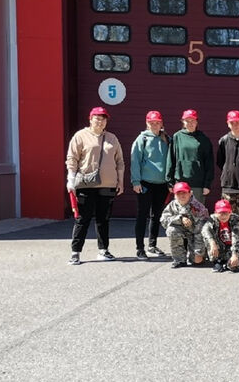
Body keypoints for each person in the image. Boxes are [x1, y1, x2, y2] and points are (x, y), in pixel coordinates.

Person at [65, 106, 124, 265]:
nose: (100, 121)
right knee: (82, 219)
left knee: (103, 219)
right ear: (90, 119)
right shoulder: (80, 136)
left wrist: (120, 181)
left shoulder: (112, 138)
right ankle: (75, 252)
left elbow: (119, 162)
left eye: (103, 119)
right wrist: (71, 179)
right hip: (86, 185)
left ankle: (103, 250)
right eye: (97, 118)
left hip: (107, 185)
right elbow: (72, 158)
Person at [129, 109, 169, 260]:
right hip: (145, 184)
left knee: (156, 215)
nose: (154, 125)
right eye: (152, 123)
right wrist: (136, 181)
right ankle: (140, 248)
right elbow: (135, 161)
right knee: (142, 215)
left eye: (157, 122)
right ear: (147, 123)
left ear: (161, 123)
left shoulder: (167, 139)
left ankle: (152, 245)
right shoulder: (142, 139)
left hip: (162, 184)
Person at [166, 109, 214, 206]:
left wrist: (207, 184)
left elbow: (209, 163)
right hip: (181, 182)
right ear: (183, 122)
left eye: (193, 121)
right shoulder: (177, 137)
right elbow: (171, 160)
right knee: (181, 212)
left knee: (197, 212)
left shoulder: (204, 139)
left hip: (198, 184)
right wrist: (170, 182)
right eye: (187, 121)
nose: (190, 123)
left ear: (197, 122)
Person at [159, 182, 209, 268]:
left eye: (184, 193)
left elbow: (202, 231)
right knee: (171, 230)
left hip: (195, 235)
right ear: (175, 195)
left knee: (197, 261)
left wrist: (198, 252)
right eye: (179, 193)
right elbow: (163, 221)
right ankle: (179, 260)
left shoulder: (198, 207)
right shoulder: (172, 205)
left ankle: (199, 254)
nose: (182, 196)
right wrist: (180, 219)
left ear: (190, 193)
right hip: (180, 232)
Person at [202, 199, 239, 273]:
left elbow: (236, 239)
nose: (223, 216)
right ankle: (217, 261)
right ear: (215, 213)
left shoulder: (236, 220)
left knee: (233, 266)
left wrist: (234, 254)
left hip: (232, 247)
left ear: (230, 212)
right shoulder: (212, 219)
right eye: (220, 213)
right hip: (219, 245)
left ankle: (227, 263)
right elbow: (205, 230)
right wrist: (212, 243)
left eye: (226, 213)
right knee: (208, 238)